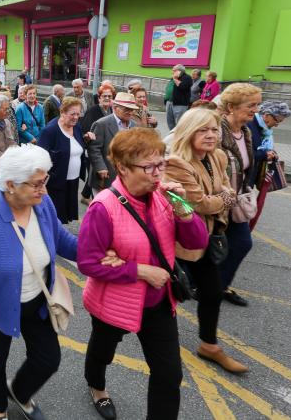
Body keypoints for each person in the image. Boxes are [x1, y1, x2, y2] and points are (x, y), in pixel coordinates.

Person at [78, 127, 208, 420]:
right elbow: (88, 262)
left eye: (161, 163)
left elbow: (197, 241)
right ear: (122, 167)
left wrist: (184, 210)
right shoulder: (104, 207)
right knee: (103, 351)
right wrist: (140, 271)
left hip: (158, 302)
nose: (157, 173)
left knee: (169, 374)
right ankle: (97, 387)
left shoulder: (164, 198)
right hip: (114, 302)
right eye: (149, 166)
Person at [0, 145, 78, 420]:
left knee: (48, 359)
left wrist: (97, 252)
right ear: (10, 184)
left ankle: (20, 392)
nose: (44, 190)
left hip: (37, 302)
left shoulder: (41, 204)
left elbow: (62, 240)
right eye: (37, 184)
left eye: (44, 181)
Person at [164, 108, 248, 374]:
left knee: (212, 292)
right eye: (203, 129)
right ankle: (161, 345)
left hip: (208, 237)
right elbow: (199, 203)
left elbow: (228, 189)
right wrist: (220, 198)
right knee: (168, 297)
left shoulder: (218, 156)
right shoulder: (177, 163)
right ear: (189, 132)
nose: (211, 135)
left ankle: (209, 345)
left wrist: (219, 198)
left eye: (214, 129)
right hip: (180, 241)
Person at [218, 83, 262, 307]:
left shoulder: (246, 132)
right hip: (215, 202)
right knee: (205, 247)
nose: (256, 110)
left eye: (258, 104)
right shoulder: (214, 130)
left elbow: (246, 165)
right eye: (251, 105)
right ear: (231, 106)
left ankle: (219, 286)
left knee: (242, 243)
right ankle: (201, 285)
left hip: (236, 201)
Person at [37, 97, 93, 224]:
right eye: (72, 114)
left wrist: (86, 139)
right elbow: (39, 156)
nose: (76, 117)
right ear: (62, 112)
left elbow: (74, 146)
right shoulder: (50, 131)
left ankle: (59, 237)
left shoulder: (77, 127)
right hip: (55, 183)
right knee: (53, 217)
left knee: (64, 216)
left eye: (78, 114)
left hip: (72, 181)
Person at [247, 101, 291, 229]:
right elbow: (245, 154)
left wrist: (271, 153)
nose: (277, 125)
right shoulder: (250, 126)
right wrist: (264, 155)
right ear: (267, 115)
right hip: (244, 177)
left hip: (252, 174)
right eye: (277, 121)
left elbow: (263, 149)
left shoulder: (265, 130)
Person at [88, 92, 139, 194]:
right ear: (115, 108)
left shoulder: (134, 126)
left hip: (126, 178)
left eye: (132, 109)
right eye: (126, 109)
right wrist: (100, 167)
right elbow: (94, 148)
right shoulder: (101, 124)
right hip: (105, 178)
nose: (130, 112)